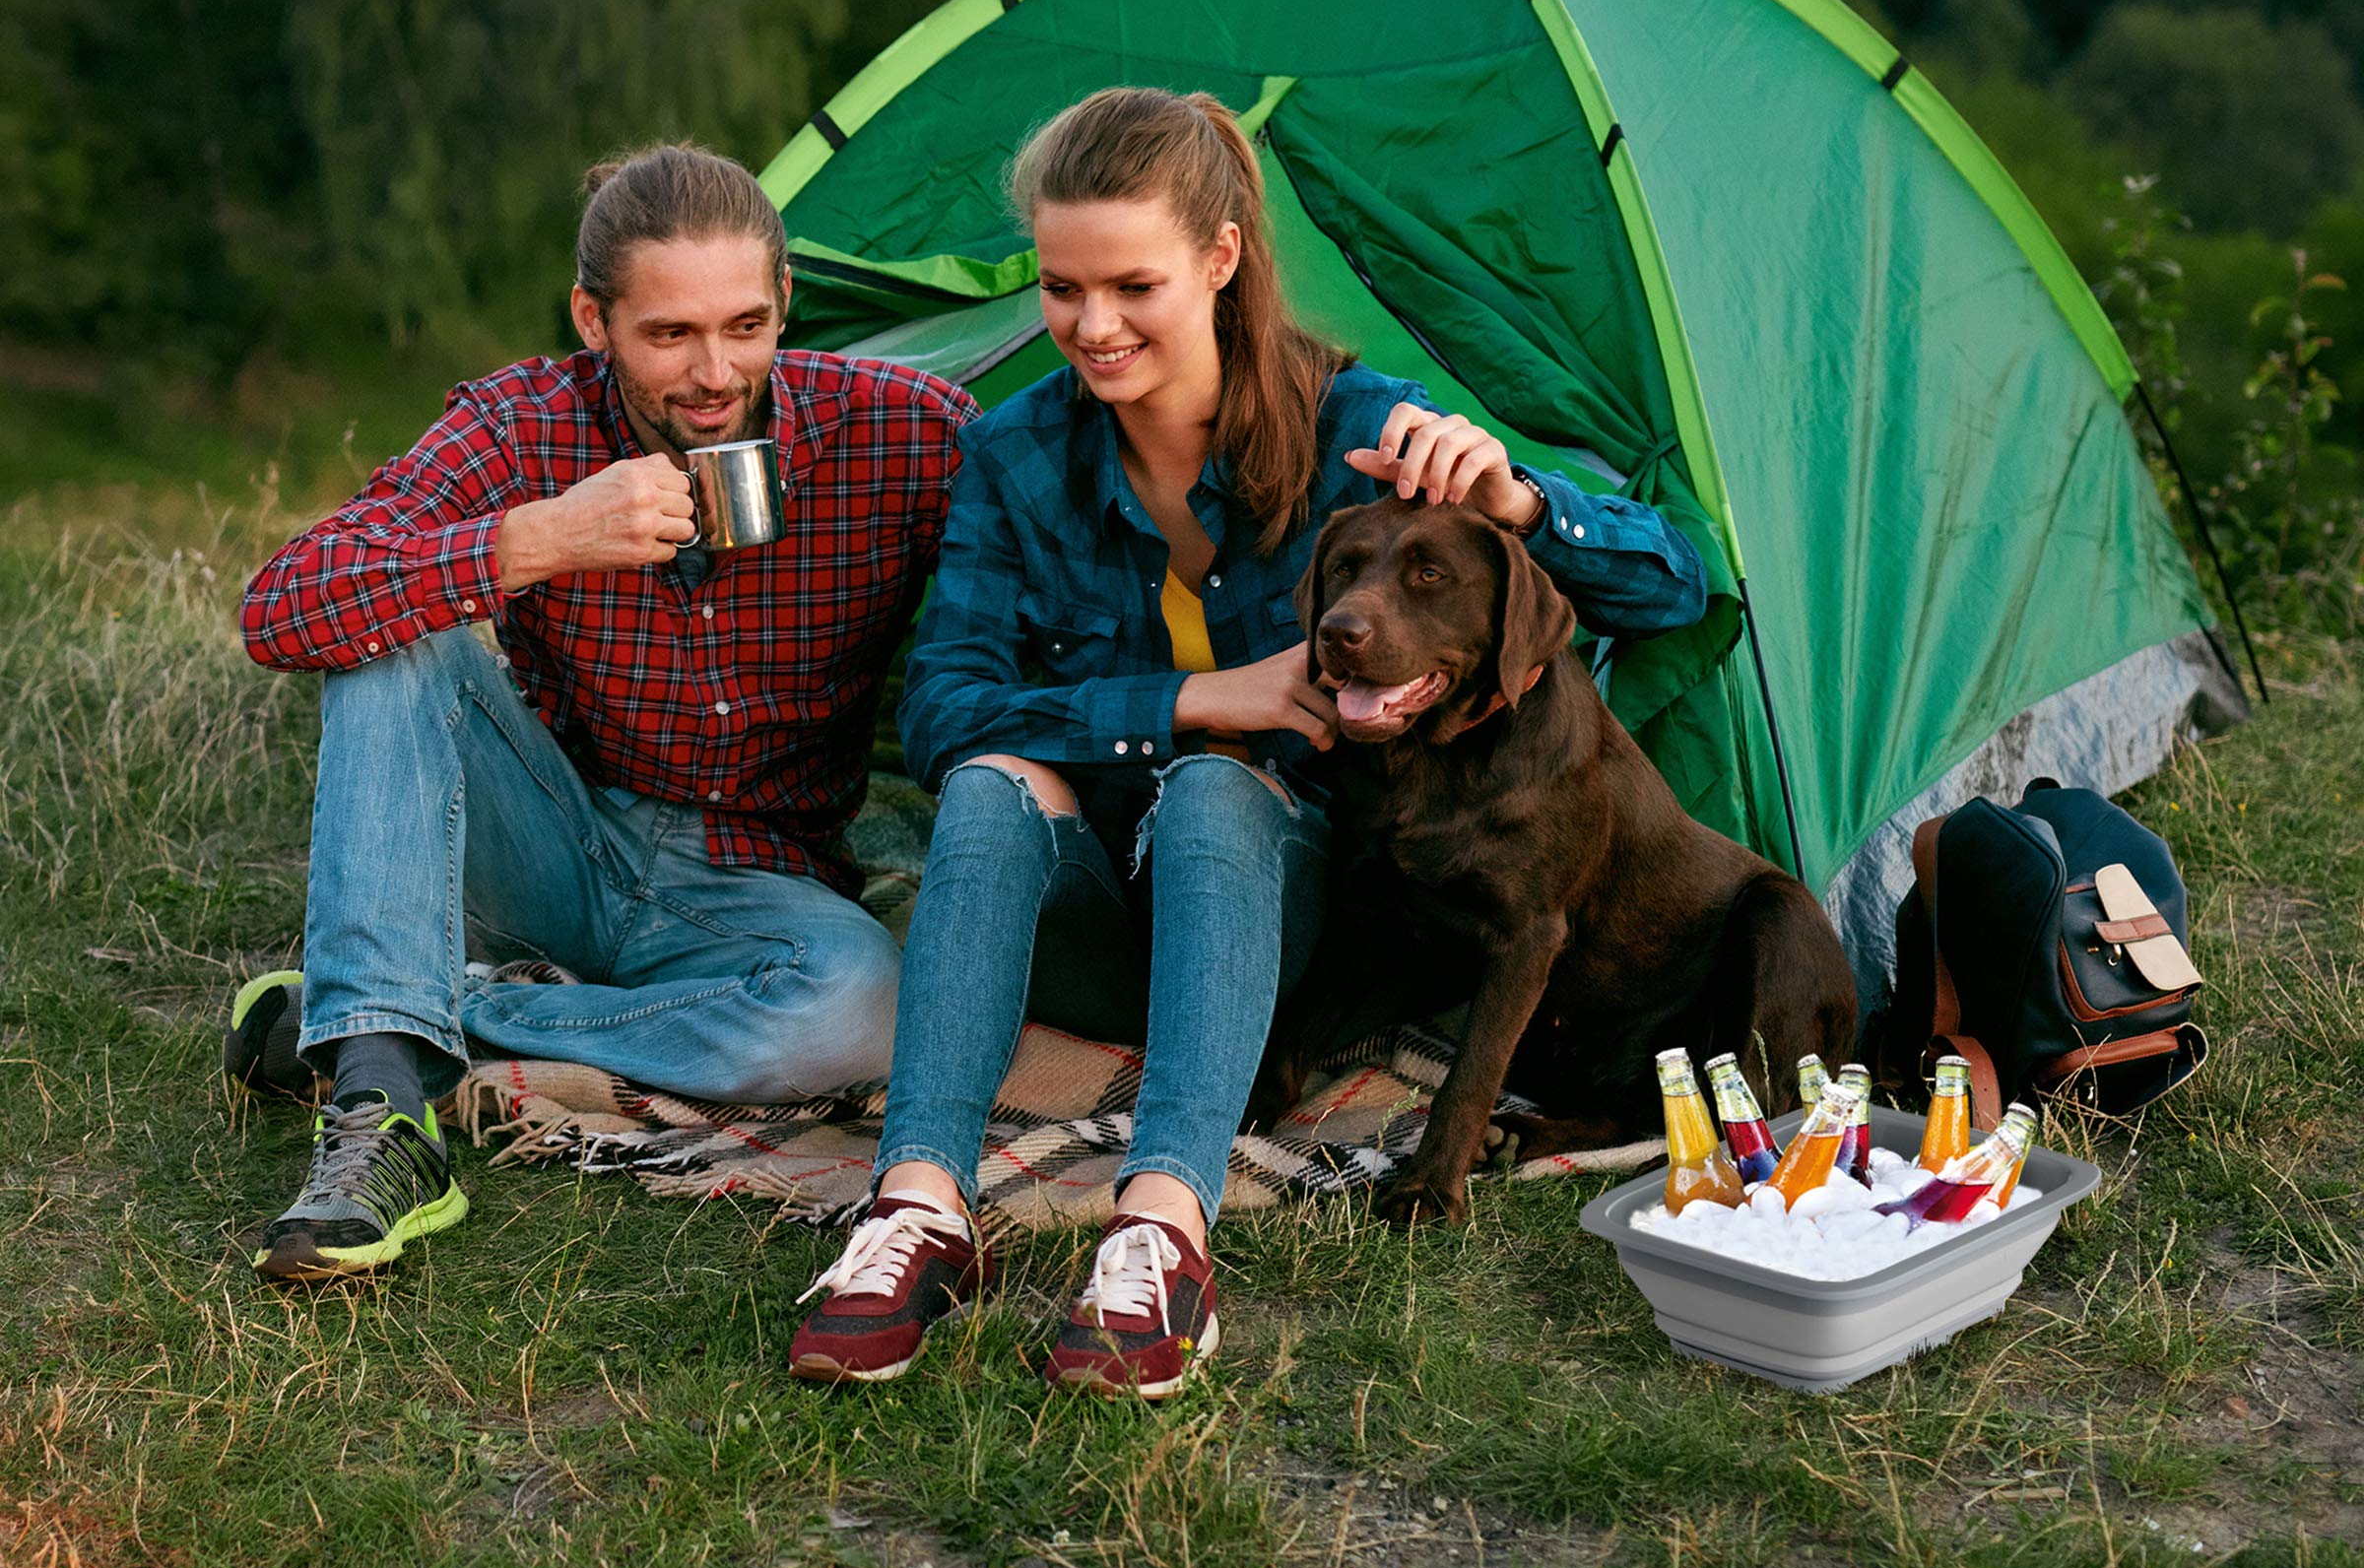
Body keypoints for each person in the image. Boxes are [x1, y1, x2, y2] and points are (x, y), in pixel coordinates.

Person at [786, 87, 1706, 1399]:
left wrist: (1515, 499)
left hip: (1287, 925)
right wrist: (1191, 699)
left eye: (1132, 286)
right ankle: (919, 1209)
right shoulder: (1018, 457)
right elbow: (942, 709)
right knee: (991, 786)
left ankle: (1162, 1229)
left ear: (1219, 262)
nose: (1091, 327)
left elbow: (1673, 581)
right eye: (1061, 287)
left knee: (1222, 794)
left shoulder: (1359, 432)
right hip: (1102, 924)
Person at [229, 144, 973, 1281]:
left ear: (785, 304)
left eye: (744, 326)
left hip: (756, 884)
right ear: (595, 318)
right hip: (555, 839)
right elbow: (284, 607)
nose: (714, 372)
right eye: (668, 335)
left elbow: (1069, 514)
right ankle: (384, 1116)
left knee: (864, 1010)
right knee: (393, 632)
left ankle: (411, 1018)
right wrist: (538, 541)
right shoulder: (525, 423)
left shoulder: (899, 429)